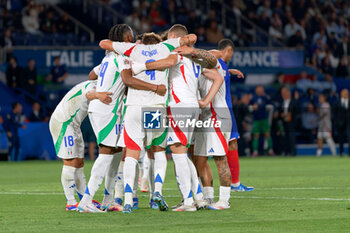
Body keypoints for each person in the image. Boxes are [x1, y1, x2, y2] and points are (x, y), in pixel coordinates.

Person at [99, 25, 197, 213]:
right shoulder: (167, 46)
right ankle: (157, 194)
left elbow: (103, 43)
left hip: (134, 107)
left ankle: (128, 200)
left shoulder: (133, 49)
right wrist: (182, 43)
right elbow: (192, 37)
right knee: (159, 151)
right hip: (156, 106)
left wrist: (122, 43)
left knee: (132, 154)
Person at [80, 24, 169, 213]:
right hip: (107, 109)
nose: (133, 35)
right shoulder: (121, 57)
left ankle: (108, 199)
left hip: (103, 107)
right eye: (130, 33)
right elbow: (128, 80)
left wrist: (101, 88)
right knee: (105, 154)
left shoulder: (109, 57)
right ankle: (86, 201)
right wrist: (154, 88)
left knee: (116, 154)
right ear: (125, 37)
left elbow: (91, 75)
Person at [132, 24, 219, 211]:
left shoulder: (177, 54)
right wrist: (204, 101)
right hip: (193, 106)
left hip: (178, 106)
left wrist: (141, 67)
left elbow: (169, 63)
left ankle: (188, 202)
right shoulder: (194, 59)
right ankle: (199, 197)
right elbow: (216, 72)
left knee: (177, 153)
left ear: (173, 37)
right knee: (183, 153)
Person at [207, 40, 254, 192]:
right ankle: (233, 184)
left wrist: (230, 70)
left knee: (229, 143)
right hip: (222, 110)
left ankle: (230, 183)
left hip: (222, 109)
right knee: (230, 144)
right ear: (229, 51)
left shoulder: (221, 66)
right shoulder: (215, 59)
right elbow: (205, 54)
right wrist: (221, 55)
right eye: (231, 54)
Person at [250, 85, 274, 156]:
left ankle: (270, 150)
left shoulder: (265, 97)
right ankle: (255, 151)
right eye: (258, 90)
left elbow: (271, 105)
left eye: (261, 90)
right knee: (256, 135)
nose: (260, 91)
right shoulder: (253, 98)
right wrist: (252, 107)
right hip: (256, 120)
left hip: (264, 119)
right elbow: (249, 107)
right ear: (256, 91)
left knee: (267, 134)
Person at [279, 87, 298, 155]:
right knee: (285, 138)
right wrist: (281, 115)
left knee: (291, 137)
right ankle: (286, 152)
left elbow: (296, 110)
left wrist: (290, 115)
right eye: (282, 94)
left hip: (292, 123)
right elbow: (280, 112)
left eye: (284, 93)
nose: (283, 95)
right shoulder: (282, 102)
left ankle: (293, 152)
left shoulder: (294, 101)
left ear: (288, 93)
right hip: (284, 122)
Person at [333, 89, 350, 156]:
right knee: (341, 138)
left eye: (347, 93)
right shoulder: (337, 102)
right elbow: (334, 113)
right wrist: (336, 122)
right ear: (341, 94)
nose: (346, 94)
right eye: (345, 93)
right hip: (340, 124)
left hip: (349, 123)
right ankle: (341, 152)